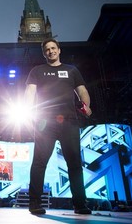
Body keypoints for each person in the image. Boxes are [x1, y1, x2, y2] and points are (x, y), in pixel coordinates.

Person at [23, 38, 92, 215]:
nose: (51, 51)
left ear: (59, 50)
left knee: (75, 163)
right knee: (39, 162)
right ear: (44, 53)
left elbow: (82, 90)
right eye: (47, 49)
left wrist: (86, 105)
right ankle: (35, 202)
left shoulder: (71, 70)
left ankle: (80, 203)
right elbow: (29, 92)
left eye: (53, 48)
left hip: (69, 121)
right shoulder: (37, 71)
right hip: (45, 122)